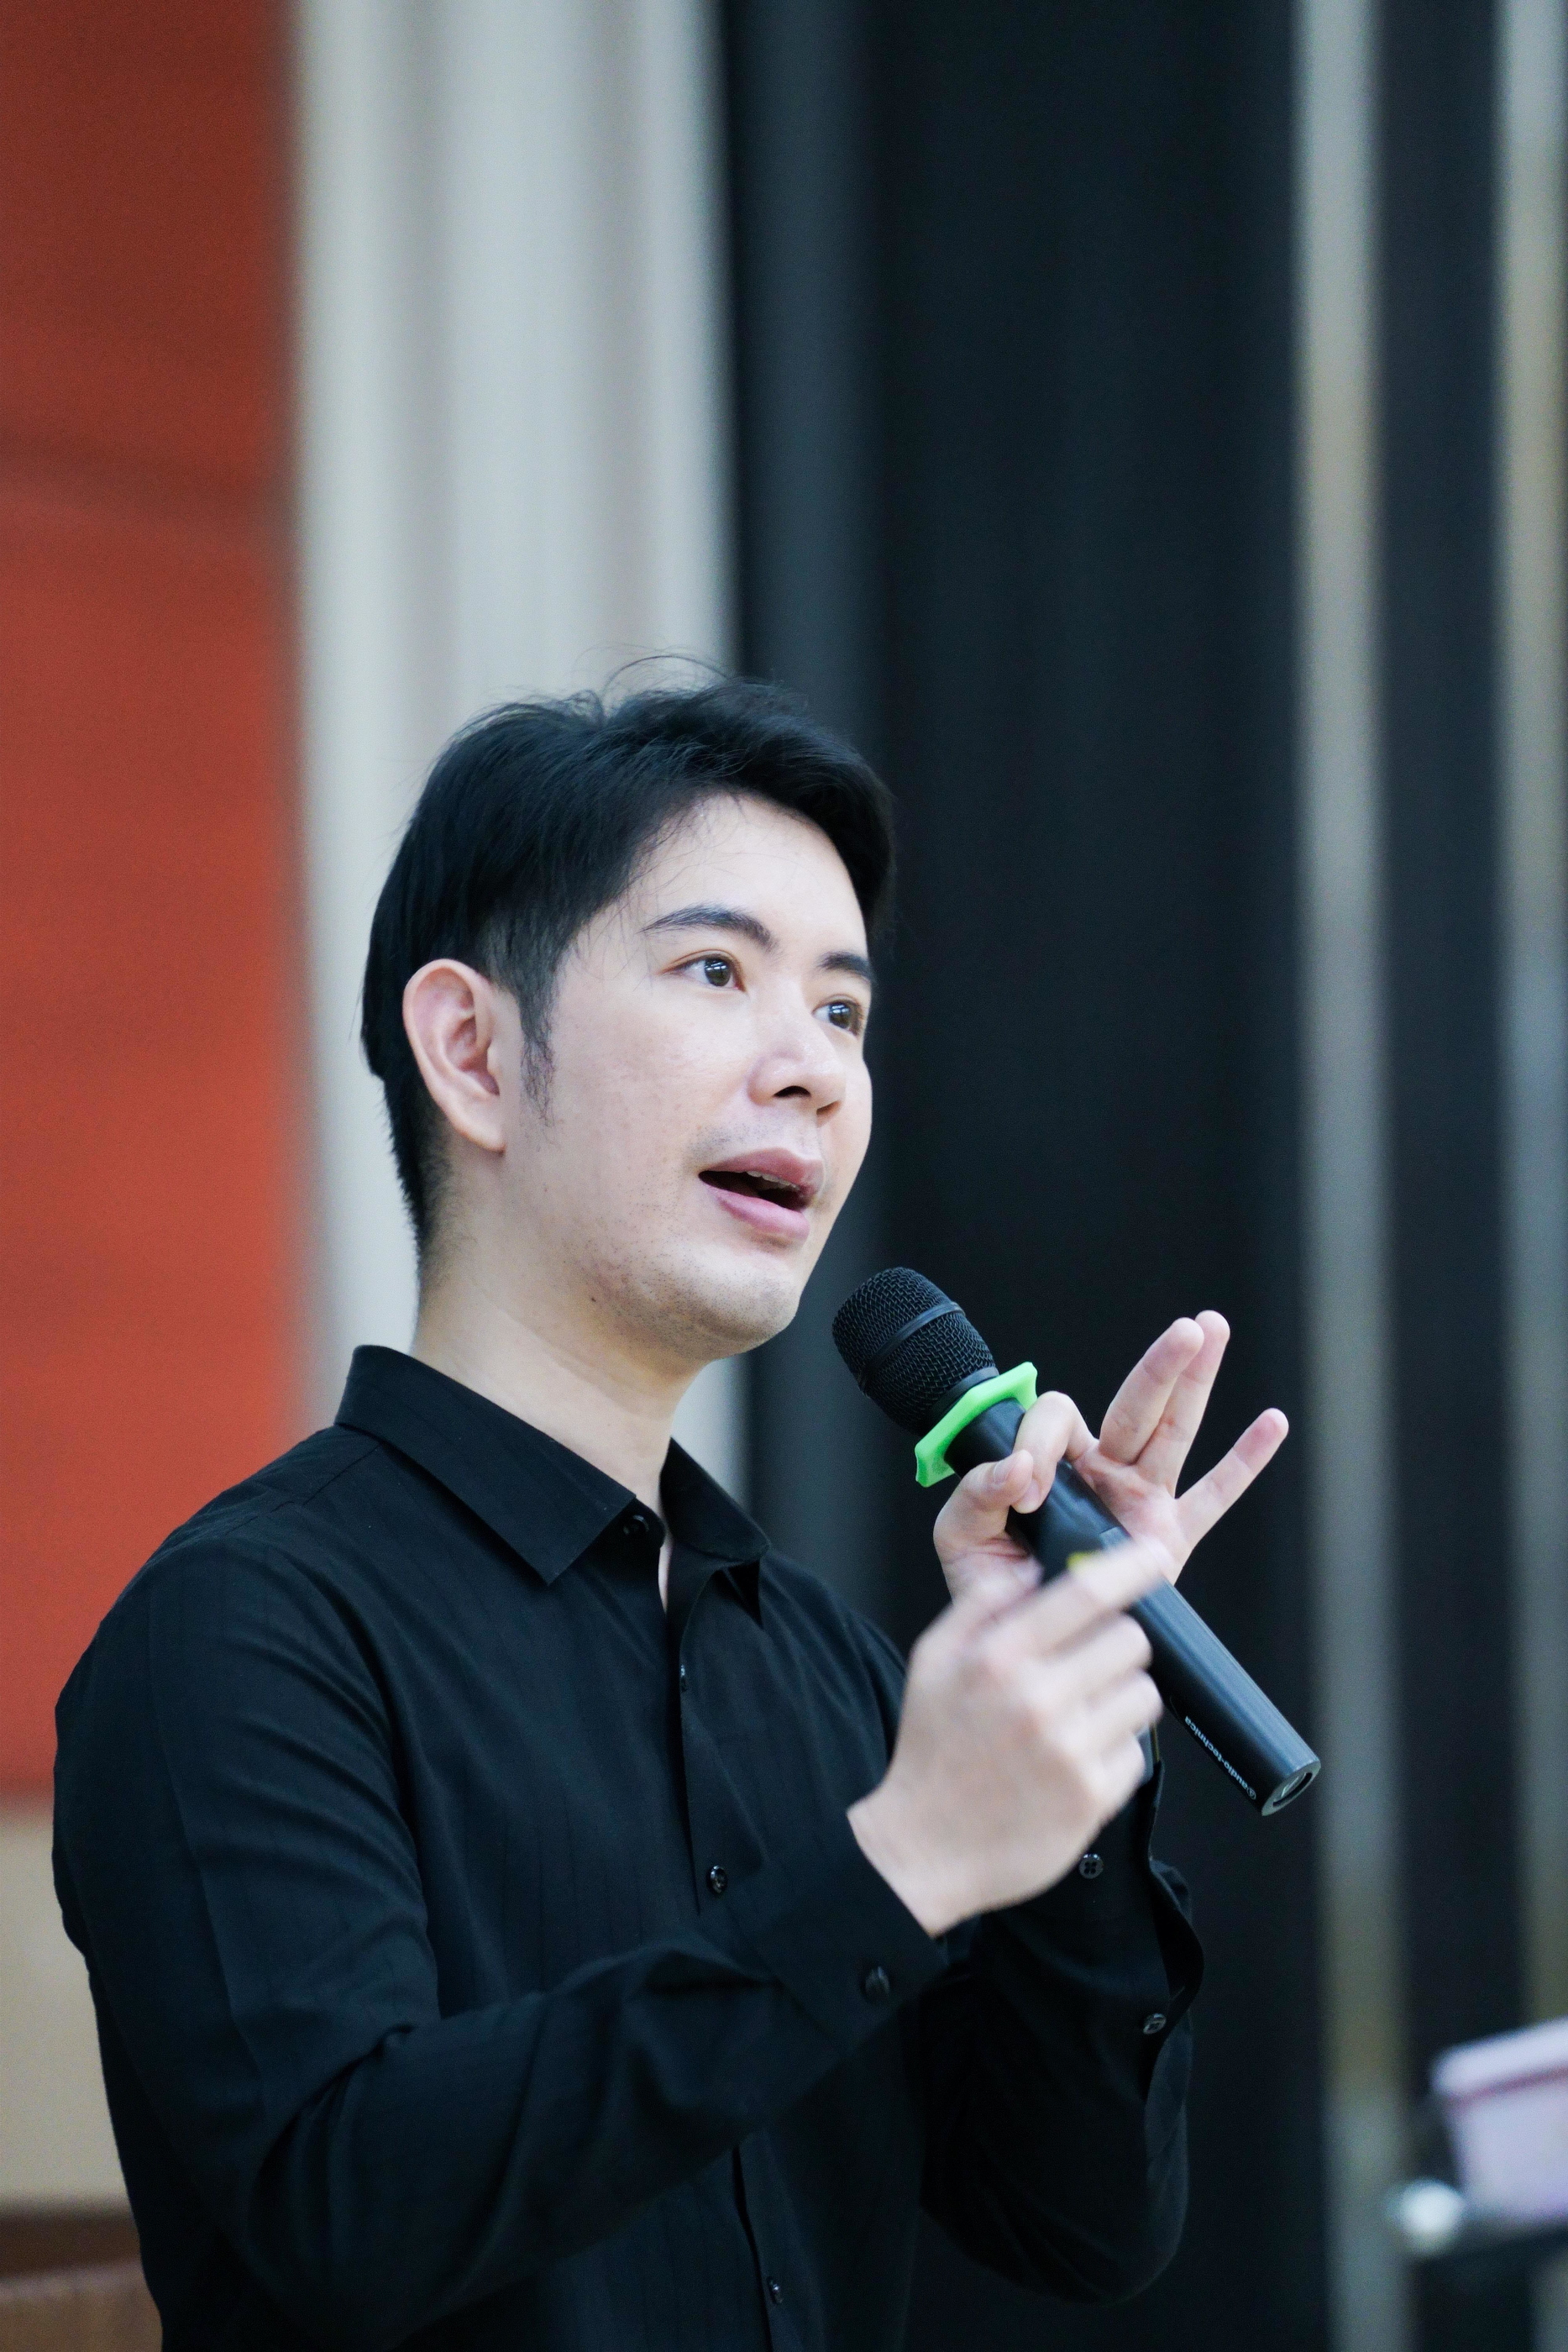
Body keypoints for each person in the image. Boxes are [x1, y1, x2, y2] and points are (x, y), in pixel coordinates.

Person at [54, 679, 1287, 2352]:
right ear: (476, 1052)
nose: (816, 1071)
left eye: (844, 1011)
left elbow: (1078, 2223)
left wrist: (1061, 1732)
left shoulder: (824, 1665)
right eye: (716, 972)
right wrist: (900, 1859)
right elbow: (341, 2207)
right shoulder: (238, 1634)